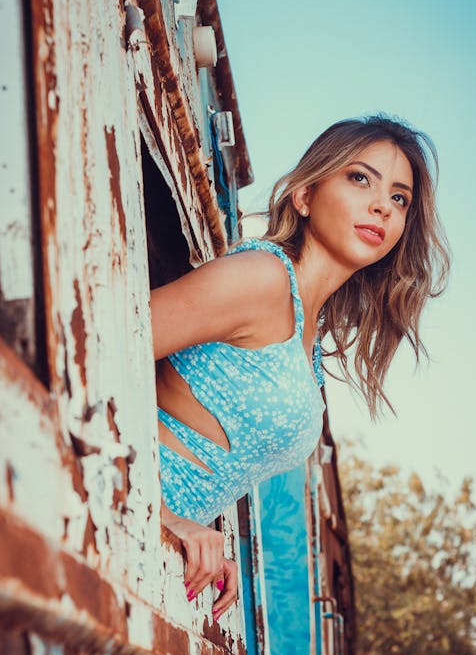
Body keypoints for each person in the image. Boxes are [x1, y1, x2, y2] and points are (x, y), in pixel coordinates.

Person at [149, 114, 450, 622]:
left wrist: (196, 530)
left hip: (142, 554)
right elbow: (90, 353)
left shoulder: (307, 335)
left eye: (399, 198)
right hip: (97, 507)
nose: (382, 204)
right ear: (304, 196)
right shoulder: (261, 278)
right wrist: (165, 517)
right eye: (360, 179)